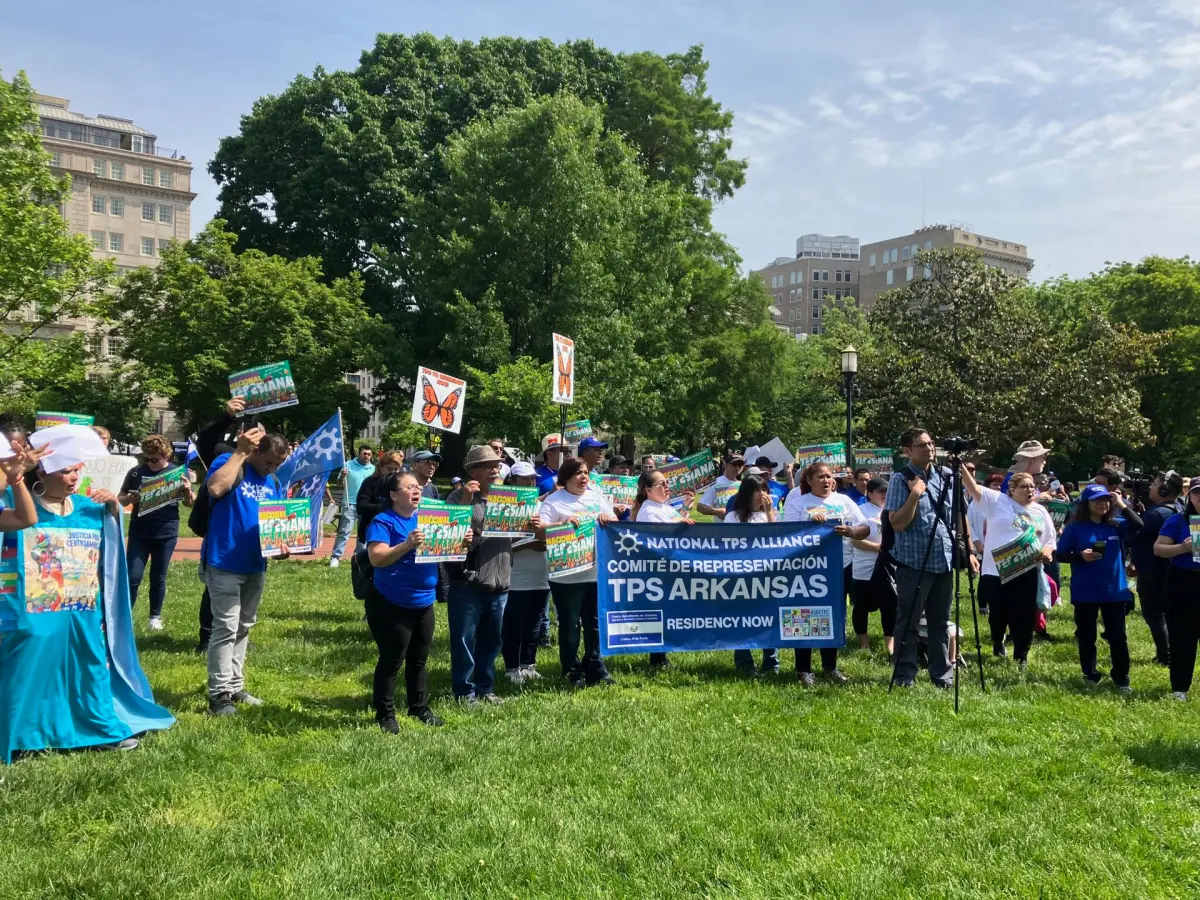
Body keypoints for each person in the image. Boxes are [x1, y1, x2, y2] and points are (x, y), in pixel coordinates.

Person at [3, 437, 174, 762]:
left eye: (77, 471)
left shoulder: (86, 508)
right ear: (42, 471)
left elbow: (110, 546)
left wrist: (113, 506)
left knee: (89, 664)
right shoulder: (17, 501)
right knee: (30, 664)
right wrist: (16, 469)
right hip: (32, 611)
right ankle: (26, 734)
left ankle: (98, 728)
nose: (73, 478)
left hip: (82, 610)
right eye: (66, 471)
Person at [202, 425, 289, 716]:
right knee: (225, 628)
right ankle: (219, 694)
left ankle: (236, 686)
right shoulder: (230, 463)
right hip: (223, 560)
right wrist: (240, 451)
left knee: (243, 627)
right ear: (255, 451)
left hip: (255, 564)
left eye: (277, 464)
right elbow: (215, 488)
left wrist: (283, 546)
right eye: (268, 462)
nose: (271, 468)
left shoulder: (273, 481)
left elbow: (274, 524)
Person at [887, 427, 976, 689]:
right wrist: (915, 494)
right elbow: (897, 523)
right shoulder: (900, 479)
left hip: (944, 559)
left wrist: (969, 551)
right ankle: (905, 674)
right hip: (913, 561)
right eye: (921, 445)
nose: (929, 448)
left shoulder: (947, 476)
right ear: (907, 451)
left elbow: (960, 516)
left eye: (931, 443)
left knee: (940, 621)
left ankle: (942, 674)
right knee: (910, 620)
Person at [363, 471, 446, 729]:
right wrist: (407, 545)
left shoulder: (428, 518)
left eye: (418, 487)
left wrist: (459, 542)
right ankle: (385, 715)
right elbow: (377, 558)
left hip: (424, 602)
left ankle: (418, 708)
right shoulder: (383, 522)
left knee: (419, 660)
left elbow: (443, 551)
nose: (416, 490)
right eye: (409, 487)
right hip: (391, 602)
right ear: (393, 495)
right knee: (392, 659)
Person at [445, 445, 521, 704]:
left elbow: (520, 536)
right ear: (472, 471)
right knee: (464, 640)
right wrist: (466, 501)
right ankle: (464, 691)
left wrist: (530, 526)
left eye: (497, 465)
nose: (494, 470)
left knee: (491, 641)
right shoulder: (457, 497)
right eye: (487, 466)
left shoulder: (507, 499)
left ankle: (485, 688)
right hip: (468, 583)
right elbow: (449, 537)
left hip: (501, 581)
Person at [962, 469, 1057, 670]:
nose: (1030, 490)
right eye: (1024, 486)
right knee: (999, 613)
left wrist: (1047, 552)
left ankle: (1021, 656)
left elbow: (1049, 539)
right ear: (1011, 490)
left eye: (1032, 486)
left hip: (1027, 571)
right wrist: (960, 465)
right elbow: (972, 487)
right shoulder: (998, 502)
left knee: (1023, 615)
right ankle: (998, 640)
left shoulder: (1040, 511)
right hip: (996, 572)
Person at [783, 461, 868, 685]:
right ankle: (803, 669)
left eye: (829, 476)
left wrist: (851, 531)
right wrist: (810, 523)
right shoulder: (798, 503)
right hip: (808, 570)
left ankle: (830, 666)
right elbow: (786, 534)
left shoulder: (844, 501)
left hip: (840, 566)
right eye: (820, 477)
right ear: (809, 480)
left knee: (834, 616)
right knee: (805, 615)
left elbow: (864, 528)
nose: (826, 480)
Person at [535, 457, 617, 688]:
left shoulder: (596, 497)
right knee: (570, 623)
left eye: (586, 473)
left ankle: (595, 665)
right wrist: (560, 526)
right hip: (566, 576)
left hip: (595, 572)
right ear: (566, 477)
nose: (584, 477)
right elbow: (540, 532)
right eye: (578, 473)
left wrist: (607, 518)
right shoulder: (554, 501)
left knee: (595, 623)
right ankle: (571, 669)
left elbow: (613, 520)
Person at [1057, 484, 1140, 692]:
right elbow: (1060, 554)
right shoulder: (1075, 528)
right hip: (1085, 591)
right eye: (1096, 500)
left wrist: (1122, 504)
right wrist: (1080, 557)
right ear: (1086, 504)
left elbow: (1139, 524)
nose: (1102, 504)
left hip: (1114, 591)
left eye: (1105, 500)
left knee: (1118, 637)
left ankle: (1121, 677)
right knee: (1087, 636)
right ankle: (1090, 674)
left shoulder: (1116, 525)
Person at [118, 434, 195, 630]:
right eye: (147, 459)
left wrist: (187, 491)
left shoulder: (177, 473)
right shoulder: (136, 473)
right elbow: (120, 498)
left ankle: (155, 617)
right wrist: (129, 499)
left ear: (166, 456)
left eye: (155, 459)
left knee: (158, 576)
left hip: (166, 530)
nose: (151, 463)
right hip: (139, 532)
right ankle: (124, 616)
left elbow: (189, 503)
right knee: (133, 576)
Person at [632, 470, 695, 671]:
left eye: (667, 483)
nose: (667, 487)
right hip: (656, 570)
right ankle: (657, 658)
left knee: (666, 612)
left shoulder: (662, 506)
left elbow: (675, 523)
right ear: (648, 490)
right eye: (662, 484)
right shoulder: (648, 511)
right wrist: (680, 524)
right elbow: (657, 537)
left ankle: (661, 656)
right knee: (657, 612)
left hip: (669, 567)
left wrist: (684, 509)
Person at [501, 461, 550, 684]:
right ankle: (511, 668)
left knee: (534, 623)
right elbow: (498, 544)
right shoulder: (502, 507)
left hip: (541, 575)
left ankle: (528, 665)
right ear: (511, 480)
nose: (530, 482)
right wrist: (528, 543)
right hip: (516, 576)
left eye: (532, 478)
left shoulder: (542, 506)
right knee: (515, 624)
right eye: (524, 478)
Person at [726, 475, 780, 675]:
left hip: (767, 575)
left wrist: (769, 513)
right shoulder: (734, 516)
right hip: (741, 575)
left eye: (765, 490)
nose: (762, 495)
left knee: (769, 617)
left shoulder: (771, 514)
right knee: (742, 618)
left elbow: (779, 540)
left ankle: (771, 663)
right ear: (747, 494)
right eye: (757, 490)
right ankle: (744, 663)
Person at [1129, 471, 1183, 666]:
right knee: (1169, 614)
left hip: (1153, 571)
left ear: (1164, 489)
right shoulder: (1181, 509)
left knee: (1154, 614)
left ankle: (1165, 656)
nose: (1150, 487)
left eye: (1154, 485)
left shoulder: (1156, 513)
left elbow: (1136, 532)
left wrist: (1125, 510)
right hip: (1176, 570)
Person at [1154, 481, 1200, 700]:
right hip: (1182, 581)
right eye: (1197, 493)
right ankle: (1180, 688)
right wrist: (1183, 547)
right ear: (1189, 496)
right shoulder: (1178, 520)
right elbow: (1159, 549)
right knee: (1182, 636)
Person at [850, 477, 897, 653]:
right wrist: (880, 548)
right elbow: (855, 541)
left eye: (887, 491)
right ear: (869, 493)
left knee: (890, 605)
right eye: (880, 491)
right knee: (861, 606)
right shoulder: (861, 512)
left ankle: (890, 644)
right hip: (864, 567)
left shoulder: (894, 510)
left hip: (888, 567)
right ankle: (864, 644)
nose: (885, 494)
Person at [329, 445, 375, 568]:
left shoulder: (373, 469)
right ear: (359, 454)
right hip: (350, 504)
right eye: (364, 453)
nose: (366, 456)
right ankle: (335, 557)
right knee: (344, 532)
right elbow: (339, 485)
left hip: (365, 505)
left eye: (369, 454)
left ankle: (359, 558)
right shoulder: (348, 465)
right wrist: (342, 477)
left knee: (363, 534)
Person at [356, 450, 407, 542]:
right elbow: (361, 506)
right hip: (373, 528)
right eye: (389, 469)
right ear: (381, 467)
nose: (392, 473)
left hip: (396, 529)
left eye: (396, 469)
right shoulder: (370, 482)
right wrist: (382, 507)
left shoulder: (401, 484)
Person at [697, 454, 744, 521]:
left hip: (741, 529)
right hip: (722, 529)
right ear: (725, 464)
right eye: (734, 464)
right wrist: (716, 511)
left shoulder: (743, 485)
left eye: (740, 465)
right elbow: (700, 507)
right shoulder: (715, 483)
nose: (737, 468)